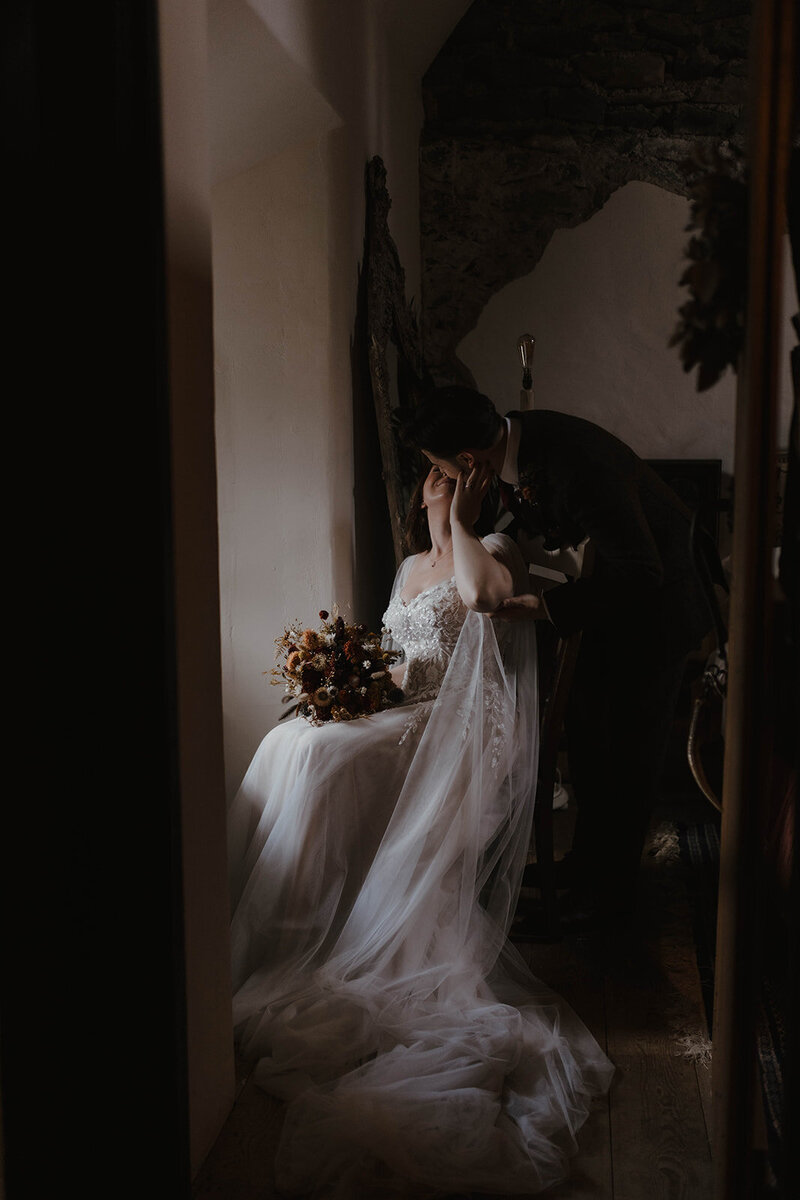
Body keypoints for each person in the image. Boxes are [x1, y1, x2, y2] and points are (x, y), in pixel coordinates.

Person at [228, 463, 613, 1198]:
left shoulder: (492, 550)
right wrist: (349, 685)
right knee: (292, 741)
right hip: (408, 711)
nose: (440, 476)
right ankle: (294, 928)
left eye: (454, 470)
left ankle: (331, 925)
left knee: (322, 760)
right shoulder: (408, 567)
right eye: (433, 470)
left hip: (462, 726)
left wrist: (463, 524)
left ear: (477, 488)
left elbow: (484, 601)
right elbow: (402, 663)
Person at [400, 387, 716, 930]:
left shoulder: (575, 464)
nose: (439, 474)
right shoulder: (517, 441)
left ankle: (611, 899)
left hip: (661, 603)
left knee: (629, 751)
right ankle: (587, 864)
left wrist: (547, 606)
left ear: (468, 459)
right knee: (590, 735)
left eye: (440, 465)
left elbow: (642, 570)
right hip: (613, 597)